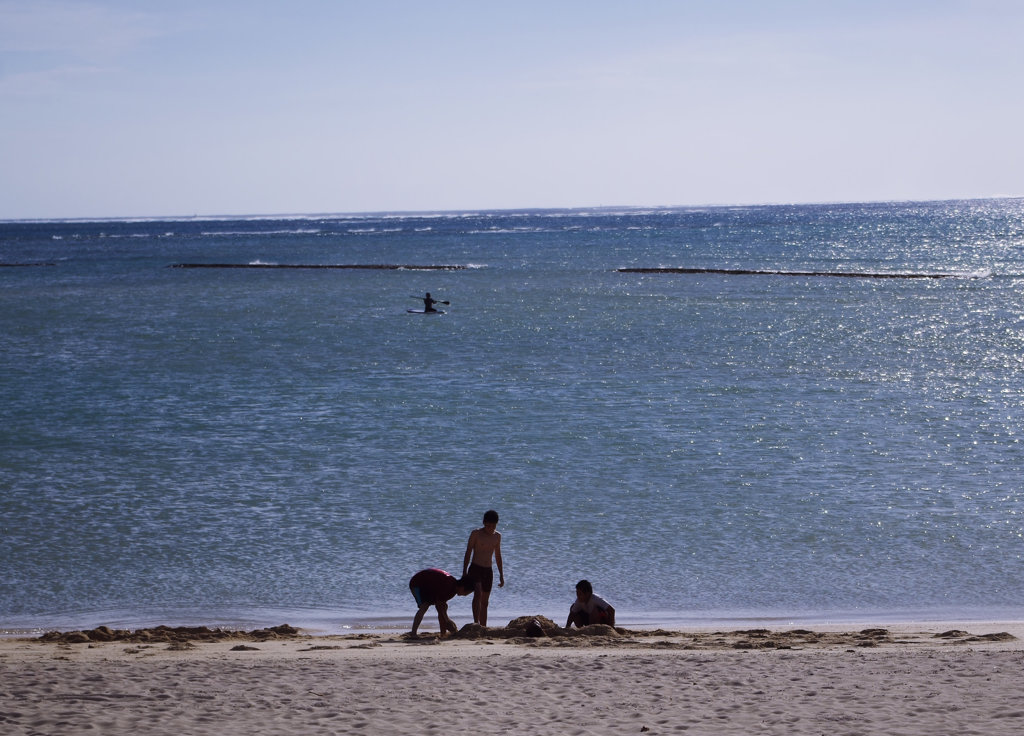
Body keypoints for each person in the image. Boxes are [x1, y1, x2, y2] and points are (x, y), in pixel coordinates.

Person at [462, 509, 504, 627]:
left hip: (488, 570)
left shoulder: (497, 536)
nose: (490, 528)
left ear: (496, 524)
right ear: (484, 523)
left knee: (485, 602)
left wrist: (501, 575)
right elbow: (468, 551)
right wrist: (464, 570)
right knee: (477, 595)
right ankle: (476, 623)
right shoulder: (476, 533)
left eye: (493, 526)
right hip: (476, 568)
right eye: (488, 525)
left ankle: (483, 627)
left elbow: (498, 556)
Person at [408, 568, 472, 638]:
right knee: (424, 606)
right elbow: (438, 606)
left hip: (428, 586)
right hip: (417, 583)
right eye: (466, 593)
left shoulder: (453, 588)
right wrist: (447, 620)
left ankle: (443, 633)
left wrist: (446, 619)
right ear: (462, 587)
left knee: (444, 606)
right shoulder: (449, 586)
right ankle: (413, 633)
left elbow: (441, 605)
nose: (465, 595)